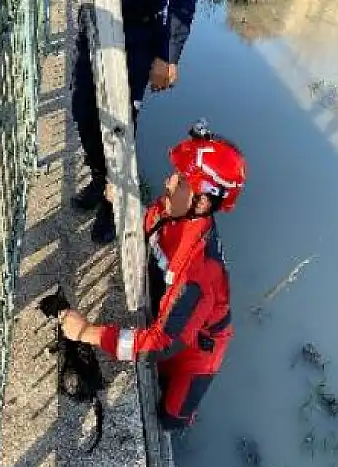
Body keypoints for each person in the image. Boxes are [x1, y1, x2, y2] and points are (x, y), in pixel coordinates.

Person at [58, 121, 247, 429]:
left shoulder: (198, 270)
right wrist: (121, 204)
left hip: (198, 349)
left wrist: (86, 333)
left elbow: (160, 344)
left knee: (170, 419)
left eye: (181, 180)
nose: (168, 182)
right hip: (173, 317)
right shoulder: (173, 211)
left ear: (202, 201)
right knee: (158, 368)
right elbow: (145, 223)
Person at [71, 0, 199, 244]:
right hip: (95, 21)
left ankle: (112, 203)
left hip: (138, 34)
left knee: (121, 124)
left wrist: (168, 54)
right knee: (83, 109)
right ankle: (100, 180)